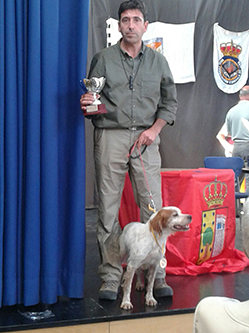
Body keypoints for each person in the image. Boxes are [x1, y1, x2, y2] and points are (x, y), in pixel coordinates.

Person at [80, 0, 177, 301]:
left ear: (145, 26)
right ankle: (111, 277)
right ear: (118, 25)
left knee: (155, 210)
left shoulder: (159, 61)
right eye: (126, 20)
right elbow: (92, 100)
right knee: (107, 209)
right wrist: (87, 105)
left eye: (136, 20)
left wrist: (154, 130)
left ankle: (156, 275)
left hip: (148, 139)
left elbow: (169, 102)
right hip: (111, 136)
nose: (131, 25)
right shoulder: (103, 59)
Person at [216, 85, 249, 189]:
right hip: (248, 146)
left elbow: (228, 133)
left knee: (236, 181)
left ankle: (234, 204)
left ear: (240, 96)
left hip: (236, 148)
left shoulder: (231, 111)